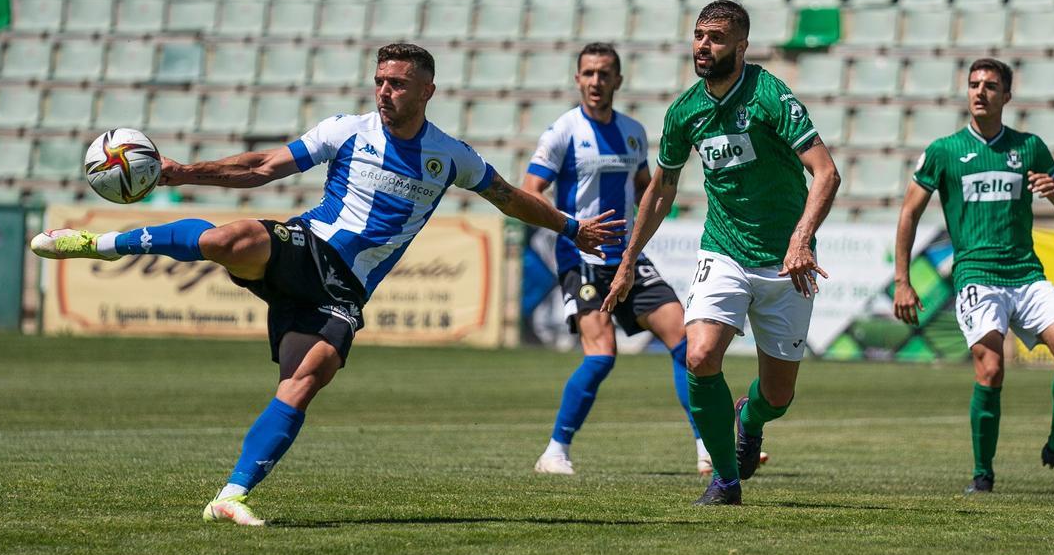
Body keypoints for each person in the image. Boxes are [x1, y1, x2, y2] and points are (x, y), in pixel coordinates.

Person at [30, 43, 625, 526]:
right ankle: (99, 245)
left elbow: (509, 197)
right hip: (307, 249)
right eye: (380, 80)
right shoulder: (346, 130)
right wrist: (183, 171)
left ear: (427, 90)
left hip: (344, 293)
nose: (386, 91)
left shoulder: (450, 156)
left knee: (302, 382)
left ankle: (231, 495)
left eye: (398, 82)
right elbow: (265, 167)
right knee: (229, 240)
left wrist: (572, 225)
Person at [604, 0, 841, 506]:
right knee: (701, 354)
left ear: (741, 45)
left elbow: (826, 172)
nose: (704, 46)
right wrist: (628, 260)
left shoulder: (770, 95)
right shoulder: (685, 111)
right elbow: (662, 188)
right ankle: (726, 480)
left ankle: (748, 418)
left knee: (777, 398)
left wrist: (801, 239)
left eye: (715, 37)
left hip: (786, 261)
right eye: (698, 35)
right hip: (724, 251)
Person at [893, 58, 1054, 495]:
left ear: (1007, 96)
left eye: (990, 85)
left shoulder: (1029, 147)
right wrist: (902, 280)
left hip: (1025, 274)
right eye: (973, 84)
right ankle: (982, 473)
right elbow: (909, 212)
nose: (980, 91)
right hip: (977, 277)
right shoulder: (944, 150)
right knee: (991, 369)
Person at [526, 43, 710, 477]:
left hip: (628, 258)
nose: (596, 81)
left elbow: (648, 186)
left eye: (604, 74)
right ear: (577, 79)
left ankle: (707, 447)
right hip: (581, 257)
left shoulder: (631, 132)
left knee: (686, 344)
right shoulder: (562, 133)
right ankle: (554, 451)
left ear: (618, 81)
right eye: (588, 73)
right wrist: (571, 229)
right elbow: (530, 193)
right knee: (601, 354)